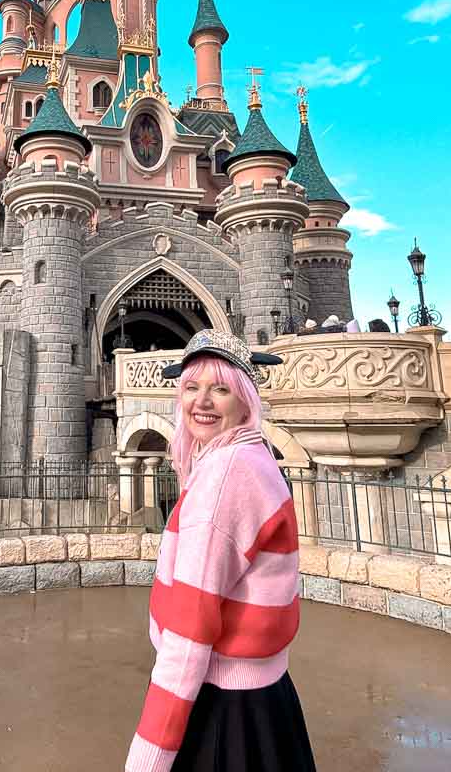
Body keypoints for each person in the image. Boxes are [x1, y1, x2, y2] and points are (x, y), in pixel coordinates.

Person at [125, 329, 316, 772]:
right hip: (265, 698)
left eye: (220, 389)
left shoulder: (225, 476)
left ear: (245, 400)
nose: (202, 401)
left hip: (226, 709)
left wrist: (148, 758)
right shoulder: (255, 458)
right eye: (191, 387)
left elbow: (190, 633)